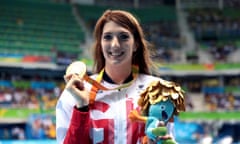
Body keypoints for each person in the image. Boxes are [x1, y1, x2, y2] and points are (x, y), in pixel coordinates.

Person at [56, 9, 185, 144]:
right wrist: (81, 106)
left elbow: (166, 138)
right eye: (107, 37)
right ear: (100, 44)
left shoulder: (158, 91)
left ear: (136, 44)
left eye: (124, 37)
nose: (115, 45)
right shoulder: (75, 93)